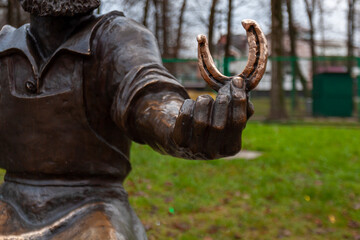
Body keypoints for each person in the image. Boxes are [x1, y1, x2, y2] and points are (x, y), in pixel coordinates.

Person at [0, 0, 267, 239]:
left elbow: (148, 95)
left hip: (93, 209)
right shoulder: (5, 48)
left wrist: (184, 124)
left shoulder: (118, 38)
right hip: (9, 204)